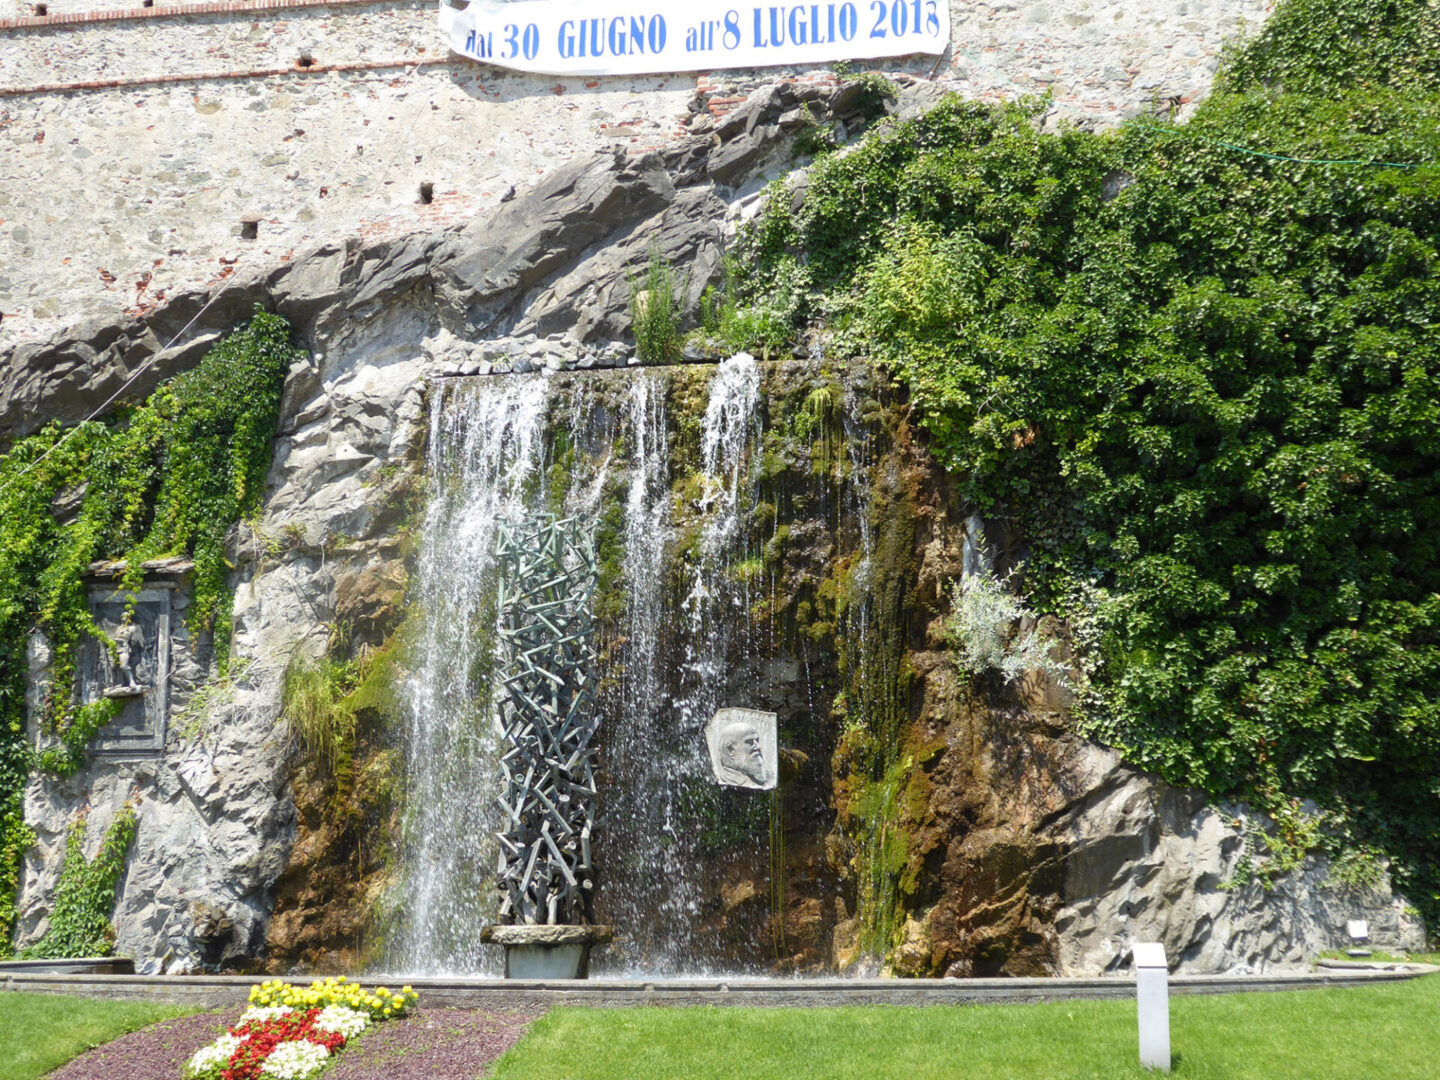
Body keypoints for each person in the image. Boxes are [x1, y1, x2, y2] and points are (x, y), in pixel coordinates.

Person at [714, 718, 769, 788]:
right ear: (730, 751)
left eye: (757, 741)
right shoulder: (728, 779)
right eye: (749, 742)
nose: (758, 746)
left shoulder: (765, 776)